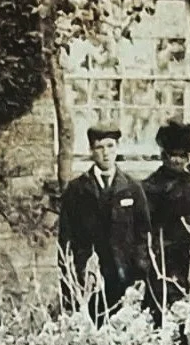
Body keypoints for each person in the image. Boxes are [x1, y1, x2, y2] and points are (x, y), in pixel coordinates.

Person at [57, 125, 149, 316]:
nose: (106, 153)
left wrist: (140, 273)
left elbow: (143, 235)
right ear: (91, 150)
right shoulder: (77, 190)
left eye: (110, 146)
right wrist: (76, 274)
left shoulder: (132, 188)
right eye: (99, 147)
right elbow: (66, 239)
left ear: (117, 147)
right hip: (90, 278)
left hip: (125, 275)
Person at [140, 121, 190, 311]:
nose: (176, 161)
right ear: (163, 156)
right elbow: (144, 228)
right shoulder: (150, 187)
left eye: (182, 156)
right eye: (172, 155)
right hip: (163, 258)